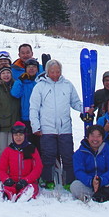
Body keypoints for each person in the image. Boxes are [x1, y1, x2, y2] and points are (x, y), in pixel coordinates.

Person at [29, 59, 83, 189]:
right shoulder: (40, 86)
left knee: (68, 156)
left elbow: (75, 102)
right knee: (48, 156)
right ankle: (48, 180)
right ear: (47, 72)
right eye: (52, 72)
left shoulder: (67, 85)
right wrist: (35, 126)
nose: (55, 74)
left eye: (57, 71)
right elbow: (34, 108)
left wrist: (85, 109)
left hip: (65, 128)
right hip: (47, 129)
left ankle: (69, 181)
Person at [70, 125, 109, 202]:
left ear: (102, 138)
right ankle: (100, 196)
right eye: (92, 136)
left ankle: (104, 194)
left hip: (106, 184)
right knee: (74, 186)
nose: (95, 139)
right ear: (87, 137)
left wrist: (101, 180)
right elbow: (79, 171)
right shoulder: (80, 153)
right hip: (89, 185)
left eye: (98, 136)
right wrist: (91, 181)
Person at [0, 121, 43, 202]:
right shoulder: (8, 150)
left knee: (32, 188)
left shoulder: (31, 149)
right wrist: (6, 179)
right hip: (13, 181)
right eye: (16, 135)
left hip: (27, 182)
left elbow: (38, 168)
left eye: (21, 135)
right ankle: (5, 194)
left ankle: (24, 195)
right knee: (9, 188)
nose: (18, 137)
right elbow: (1, 168)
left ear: (25, 135)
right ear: (13, 136)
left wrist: (27, 180)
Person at [0, 66, 21, 171]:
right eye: (3, 73)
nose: (6, 75)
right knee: (1, 152)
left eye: (8, 73)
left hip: (14, 126)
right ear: (0, 76)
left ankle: (13, 174)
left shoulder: (16, 86)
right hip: (1, 126)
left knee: (13, 152)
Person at [11, 57, 42, 148]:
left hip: (40, 118)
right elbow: (15, 94)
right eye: (29, 67)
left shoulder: (41, 81)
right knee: (29, 146)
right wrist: (19, 81)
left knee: (41, 146)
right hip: (26, 118)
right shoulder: (22, 82)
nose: (31, 69)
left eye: (33, 67)